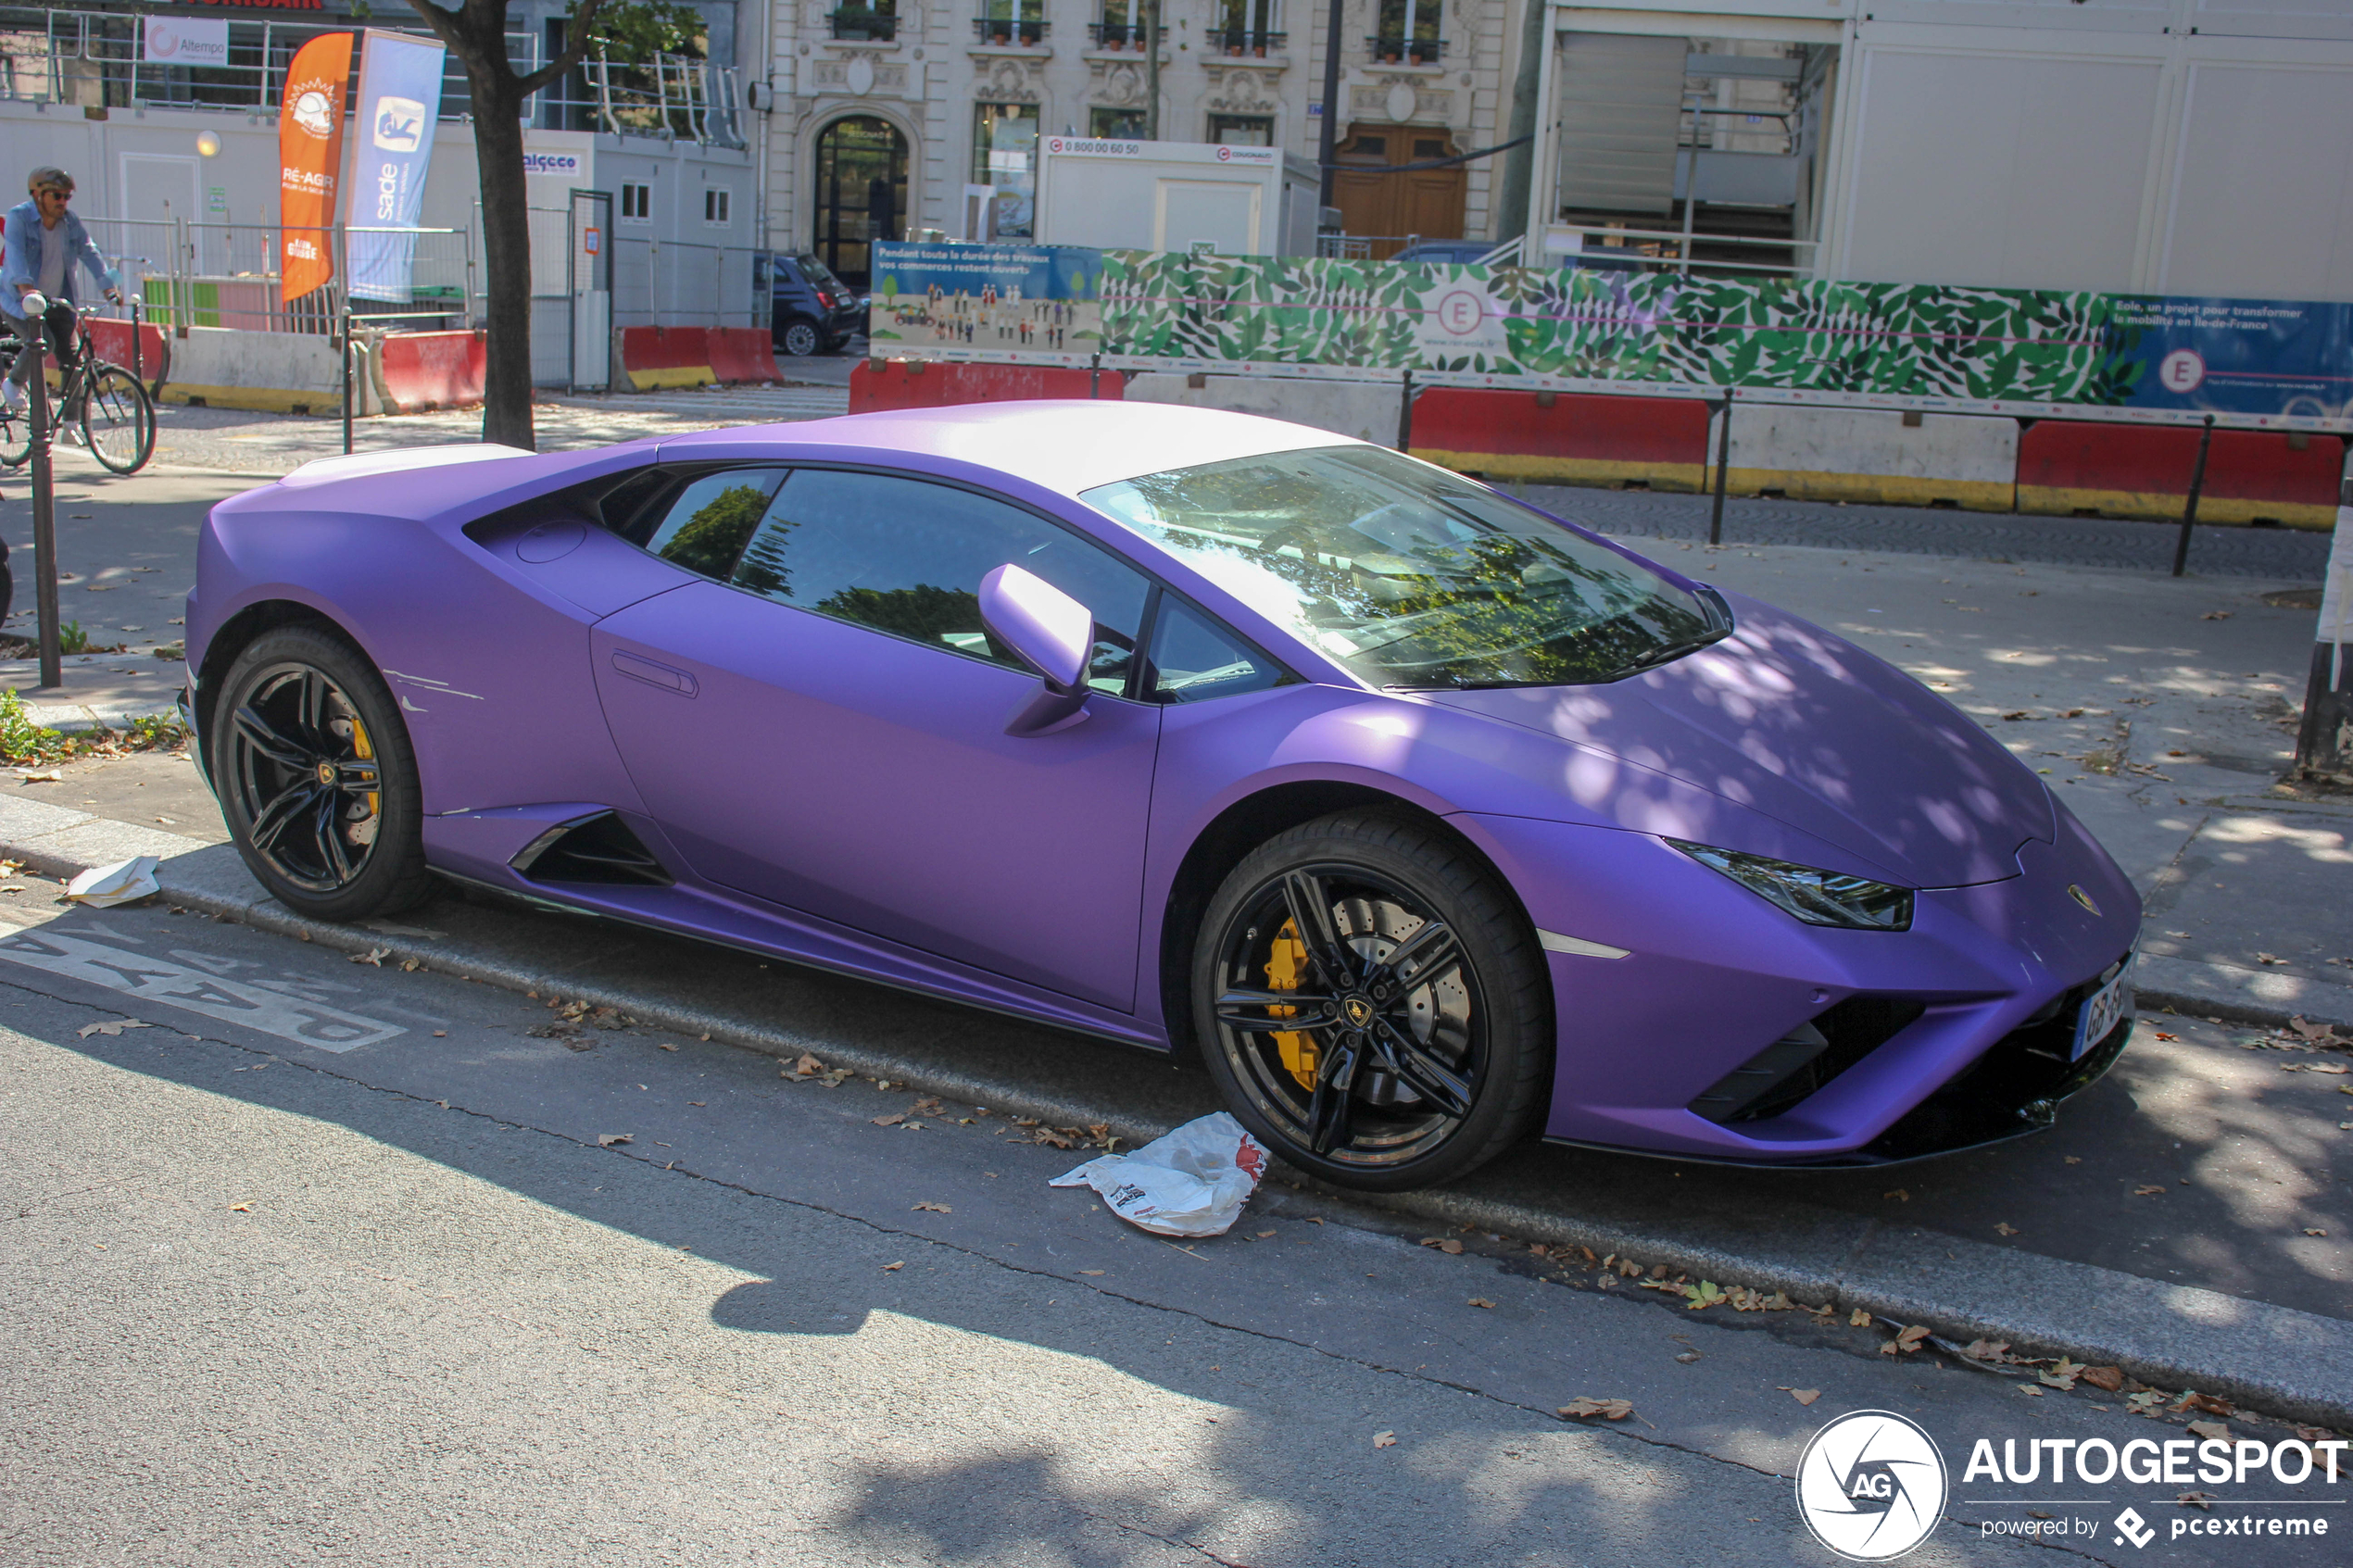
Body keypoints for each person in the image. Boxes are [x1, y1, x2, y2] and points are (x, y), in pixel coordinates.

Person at [0, 167, 122, 416]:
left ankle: (70, 424)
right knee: (43, 343)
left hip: (58, 301)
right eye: (57, 196)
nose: (62, 202)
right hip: (20, 301)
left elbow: (89, 251)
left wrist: (108, 286)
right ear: (37, 194)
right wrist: (26, 289)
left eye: (67, 197)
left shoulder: (70, 222)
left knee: (74, 362)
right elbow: (15, 253)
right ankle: (12, 383)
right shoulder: (19, 217)